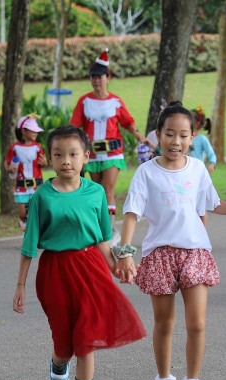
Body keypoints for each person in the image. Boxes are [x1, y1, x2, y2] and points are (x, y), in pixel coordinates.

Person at [115, 102, 226, 380]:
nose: (176, 141)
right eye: (169, 134)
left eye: (183, 135)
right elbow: (132, 214)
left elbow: (213, 204)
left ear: (193, 138)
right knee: (164, 324)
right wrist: (125, 254)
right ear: (158, 135)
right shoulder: (146, 173)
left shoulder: (197, 168)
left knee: (197, 323)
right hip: (160, 253)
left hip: (195, 252)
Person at [13, 126, 146, 380]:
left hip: (91, 269)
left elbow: (102, 239)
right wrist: (20, 285)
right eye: (59, 155)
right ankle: (58, 367)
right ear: (48, 158)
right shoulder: (42, 196)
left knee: (86, 340)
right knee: (65, 345)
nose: (66, 161)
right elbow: (30, 244)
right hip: (55, 272)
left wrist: (118, 265)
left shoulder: (96, 193)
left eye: (73, 154)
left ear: (86, 157)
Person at [70, 48, 150, 242]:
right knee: (97, 190)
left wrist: (138, 134)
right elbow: (75, 125)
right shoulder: (84, 101)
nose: (96, 80)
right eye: (93, 77)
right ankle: (99, 228)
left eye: (100, 76)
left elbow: (127, 122)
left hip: (113, 152)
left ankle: (110, 232)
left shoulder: (115, 101)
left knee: (108, 189)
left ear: (108, 77)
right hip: (92, 154)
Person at [5, 114, 48, 231]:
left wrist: (44, 162)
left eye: (36, 131)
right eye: (33, 131)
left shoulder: (38, 147)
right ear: (23, 131)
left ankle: (33, 234)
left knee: (36, 211)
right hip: (21, 186)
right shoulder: (15, 148)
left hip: (36, 185)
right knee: (22, 214)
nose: (36, 133)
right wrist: (10, 168)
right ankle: (25, 223)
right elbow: (7, 162)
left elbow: (43, 164)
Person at [190, 106, 218, 173]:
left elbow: (211, 154)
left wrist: (212, 164)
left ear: (197, 123)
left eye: (189, 119)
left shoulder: (202, 139)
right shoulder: (184, 137)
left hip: (198, 171)